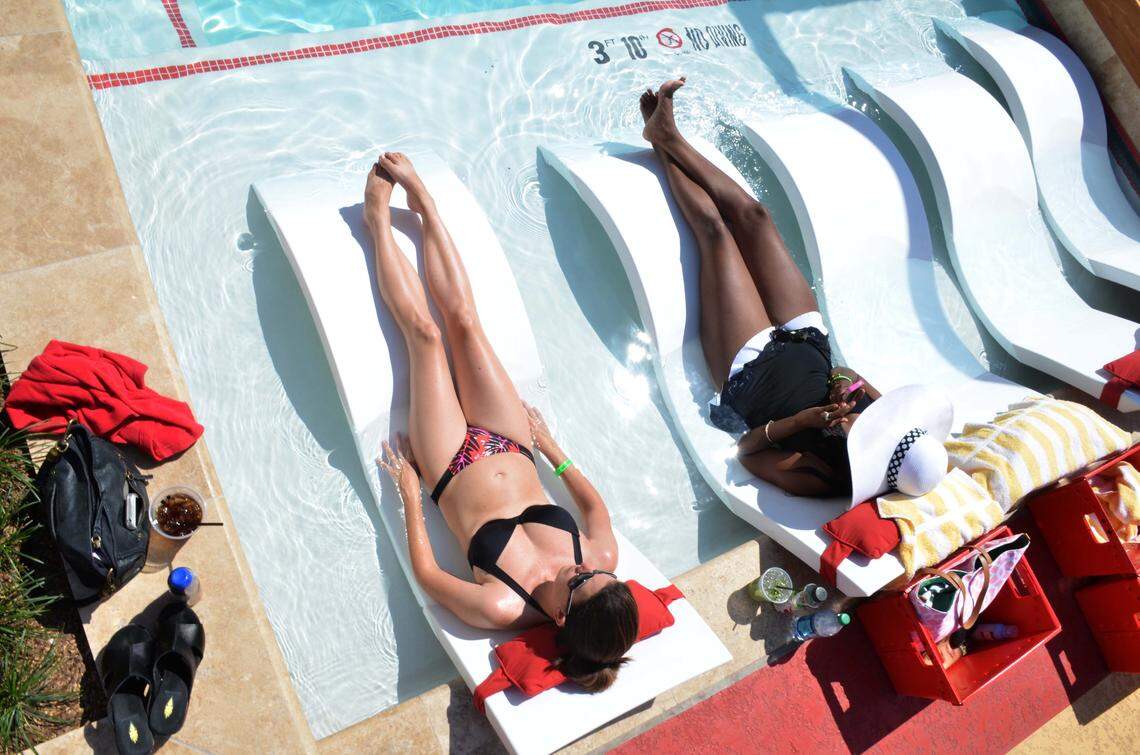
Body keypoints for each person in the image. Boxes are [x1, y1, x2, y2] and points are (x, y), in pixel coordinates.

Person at [366, 152, 637, 691]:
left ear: (559, 616)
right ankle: (426, 207)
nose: (583, 568)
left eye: (579, 581)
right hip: (512, 442)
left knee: (426, 337)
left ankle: (376, 221)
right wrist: (551, 447)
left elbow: (429, 576)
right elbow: (594, 507)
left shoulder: (500, 605)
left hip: (448, 463)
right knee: (466, 323)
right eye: (598, 574)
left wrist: (411, 494)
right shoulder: (602, 557)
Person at [639, 79, 883, 497]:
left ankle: (663, 137)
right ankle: (667, 136)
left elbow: (747, 452)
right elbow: (848, 373)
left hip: (752, 372)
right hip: (808, 342)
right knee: (755, 216)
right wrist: (841, 383)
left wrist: (801, 423)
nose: (854, 422)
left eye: (851, 430)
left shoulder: (823, 476)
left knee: (716, 233)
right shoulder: (884, 421)